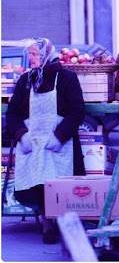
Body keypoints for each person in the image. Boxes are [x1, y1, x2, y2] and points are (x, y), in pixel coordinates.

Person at [5, 38, 86, 244]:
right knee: (38, 183)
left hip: (59, 142)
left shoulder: (67, 78)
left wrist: (60, 136)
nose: (30, 58)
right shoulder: (25, 81)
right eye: (30, 54)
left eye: (35, 54)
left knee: (58, 183)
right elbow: (12, 113)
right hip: (32, 142)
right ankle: (47, 224)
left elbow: (77, 111)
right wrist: (21, 135)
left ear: (47, 54)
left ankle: (63, 222)